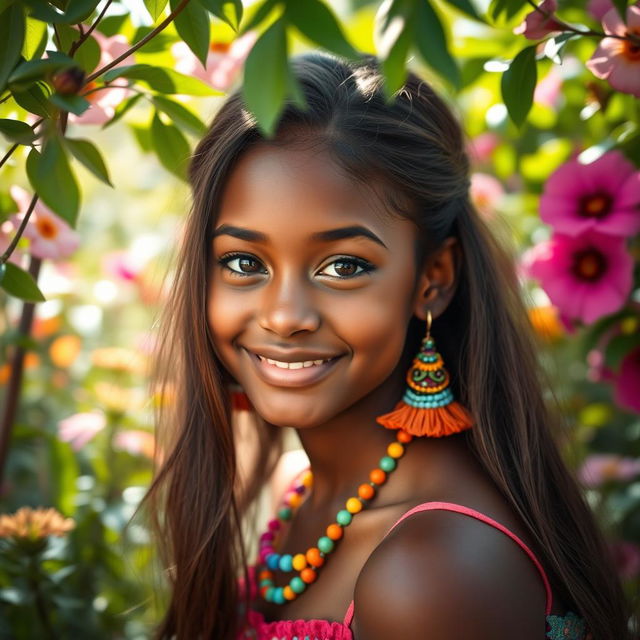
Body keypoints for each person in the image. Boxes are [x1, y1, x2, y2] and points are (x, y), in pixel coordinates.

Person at [142, 52, 631, 639]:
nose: (285, 316)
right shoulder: (308, 495)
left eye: (343, 266)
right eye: (244, 262)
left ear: (433, 279)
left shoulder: (431, 576)